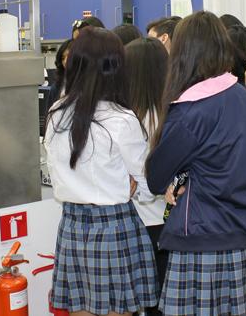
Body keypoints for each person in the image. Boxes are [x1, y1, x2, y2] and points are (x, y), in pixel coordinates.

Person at [146, 11, 246, 316]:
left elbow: (154, 177)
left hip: (207, 238)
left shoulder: (192, 110)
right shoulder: (240, 94)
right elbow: (220, 160)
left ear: (182, 53)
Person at [45, 27, 157, 316]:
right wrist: (131, 186)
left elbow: (56, 168)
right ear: (116, 69)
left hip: (72, 225)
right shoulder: (122, 119)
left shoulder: (57, 112)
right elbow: (146, 184)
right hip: (114, 226)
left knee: (80, 309)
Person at [123, 37, 169, 316]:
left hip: (137, 220)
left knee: (142, 299)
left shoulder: (128, 118)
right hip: (165, 221)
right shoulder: (169, 114)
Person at [49, 39, 73, 105]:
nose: (65, 61)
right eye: (63, 58)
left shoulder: (88, 86)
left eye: (69, 56)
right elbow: (49, 114)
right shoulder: (56, 88)